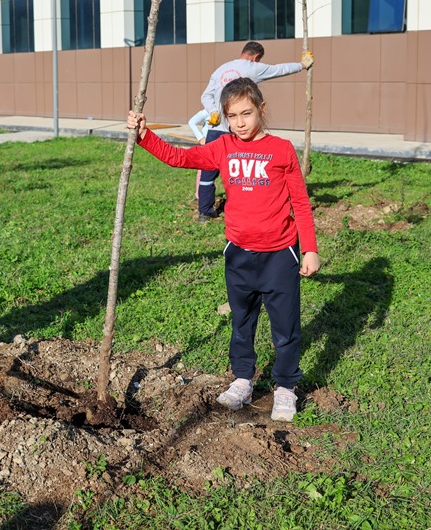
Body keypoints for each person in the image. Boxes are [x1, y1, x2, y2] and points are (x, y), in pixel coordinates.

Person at [127, 77, 320, 422]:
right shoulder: (222, 147)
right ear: (225, 117)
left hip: (280, 255)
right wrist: (144, 136)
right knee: (241, 322)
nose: (241, 122)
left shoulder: (281, 150)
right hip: (239, 254)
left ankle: (285, 388)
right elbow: (178, 158)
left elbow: (301, 203)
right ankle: (243, 380)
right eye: (233, 116)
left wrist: (310, 249)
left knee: (285, 327)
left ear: (262, 109)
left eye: (247, 113)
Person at [196, 41, 313, 222]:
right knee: (243, 169)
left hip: (216, 126)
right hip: (235, 131)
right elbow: (278, 69)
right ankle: (244, 207)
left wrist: (213, 111)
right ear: (256, 57)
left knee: (207, 170)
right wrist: (303, 65)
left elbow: (205, 95)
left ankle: (204, 212)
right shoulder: (252, 68)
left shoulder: (221, 69)